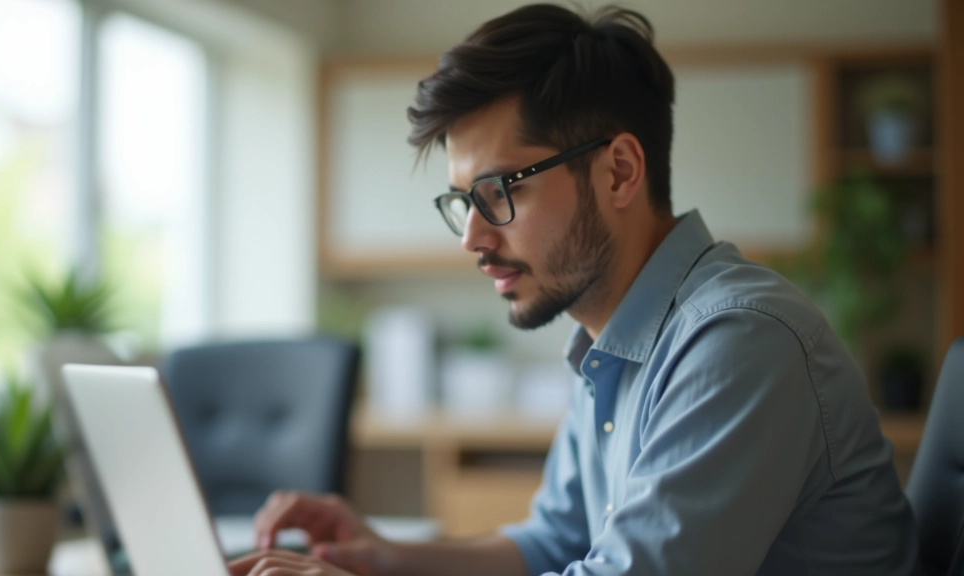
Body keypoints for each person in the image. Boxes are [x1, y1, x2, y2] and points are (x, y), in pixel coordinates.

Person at [228, 4, 917, 576]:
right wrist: (378, 559)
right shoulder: (608, 342)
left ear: (618, 172)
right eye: (462, 201)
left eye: (499, 191)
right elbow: (552, 544)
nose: (471, 237)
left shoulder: (738, 341)